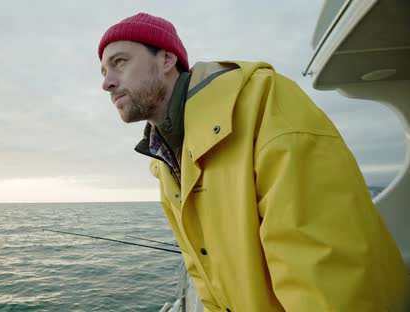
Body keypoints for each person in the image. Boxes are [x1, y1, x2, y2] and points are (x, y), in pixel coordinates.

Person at [98, 13, 408, 312]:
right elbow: (206, 277)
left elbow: (328, 276)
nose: (107, 83)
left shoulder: (263, 101)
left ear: (167, 60)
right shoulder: (164, 157)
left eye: (119, 62)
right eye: (103, 72)